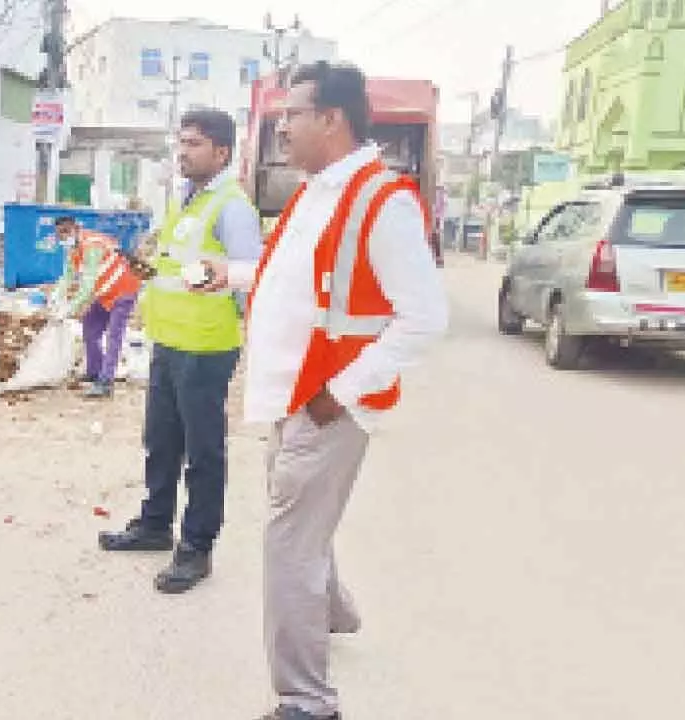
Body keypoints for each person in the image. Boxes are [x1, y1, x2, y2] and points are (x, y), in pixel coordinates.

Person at [238, 61, 447, 720]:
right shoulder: (316, 192)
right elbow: (292, 279)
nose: (281, 129)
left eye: (291, 115)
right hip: (289, 396)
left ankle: (307, 701)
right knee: (304, 530)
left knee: (289, 548)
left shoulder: (382, 201)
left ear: (330, 119)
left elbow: (424, 318)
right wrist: (231, 273)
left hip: (325, 405)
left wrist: (342, 390)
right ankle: (335, 612)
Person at [97, 109, 263, 595]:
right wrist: (146, 273)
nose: (182, 152)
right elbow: (179, 270)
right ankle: (154, 524)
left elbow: (248, 276)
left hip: (206, 347)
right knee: (161, 441)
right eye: (181, 142)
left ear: (222, 152)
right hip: (169, 342)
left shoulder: (232, 208)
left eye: (194, 144)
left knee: (203, 453)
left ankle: (196, 547)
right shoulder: (185, 200)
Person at [51, 217, 142, 398]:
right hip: (105, 293)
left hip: (124, 289)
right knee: (90, 328)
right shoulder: (73, 249)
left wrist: (69, 309)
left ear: (76, 228)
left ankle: (106, 382)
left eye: (66, 231)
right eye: (60, 234)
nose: (63, 237)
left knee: (114, 336)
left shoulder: (92, 245)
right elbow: (67, 276)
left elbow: (87, 285)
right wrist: (56, 295)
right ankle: (94, 371)